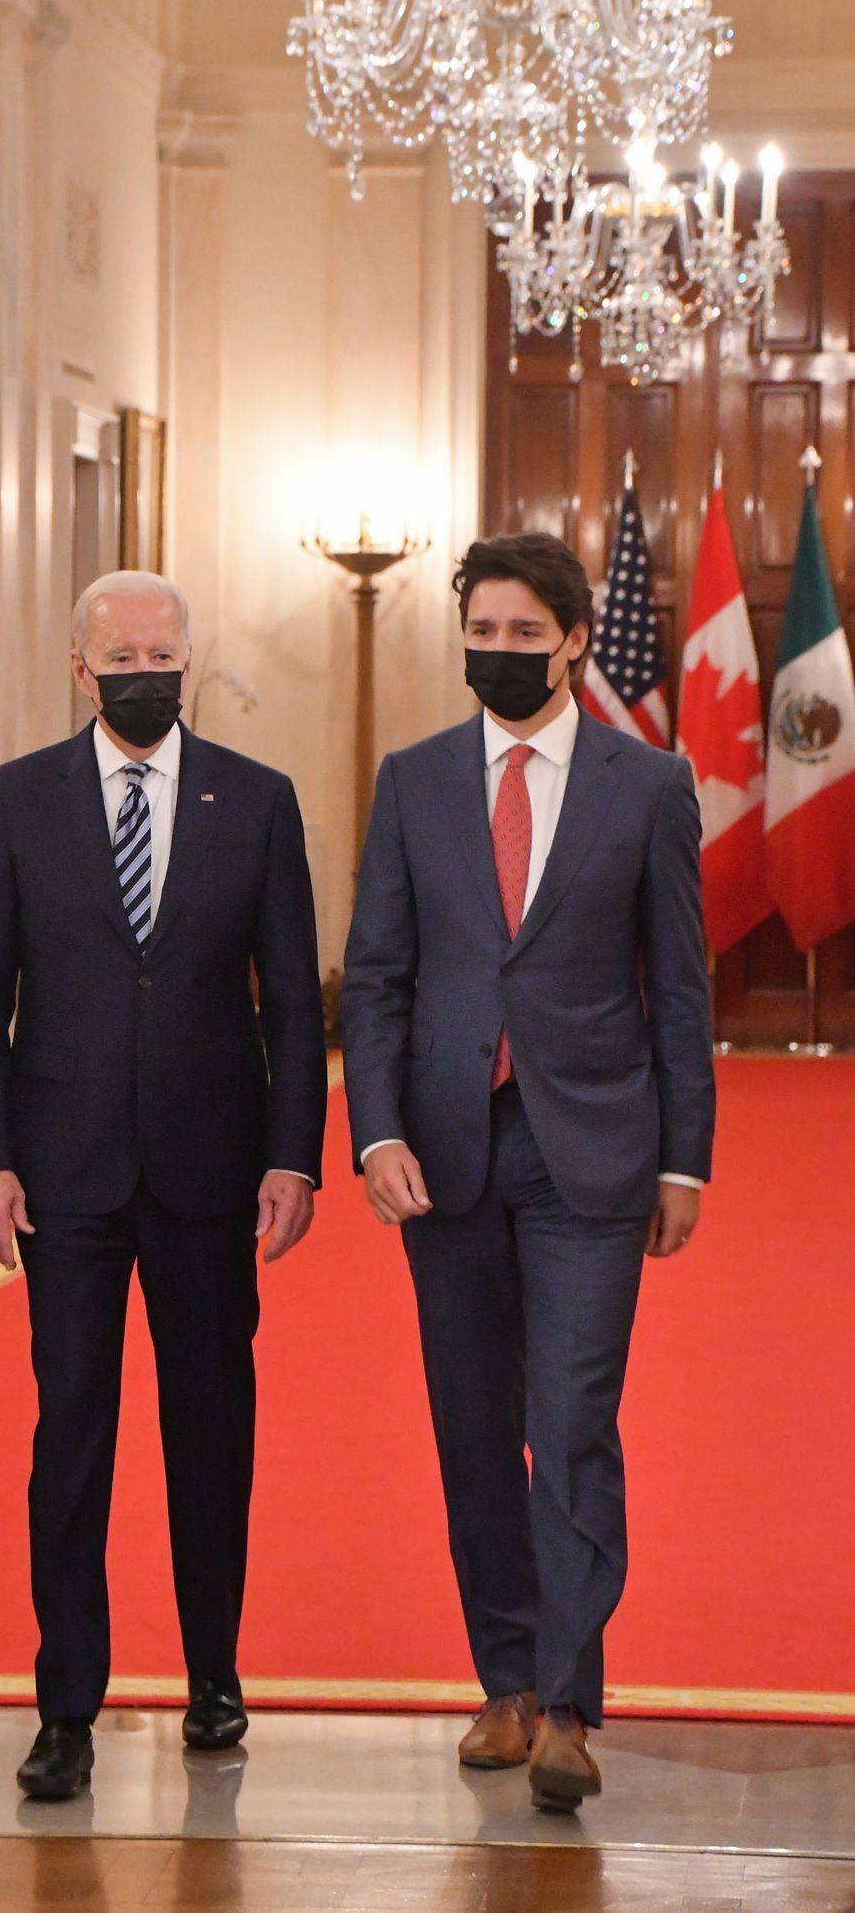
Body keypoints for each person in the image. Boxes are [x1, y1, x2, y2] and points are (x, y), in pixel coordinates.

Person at [341, 533, 715, 1812]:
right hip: (443, 1156)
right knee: (470, 1428)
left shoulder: (650, 784)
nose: (495, 652)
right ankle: (501, 1681)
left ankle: (566, 1702)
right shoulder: (415, 780)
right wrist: (374, 1130)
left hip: (591, 1154)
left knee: (570, 1420)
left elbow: (680, 988)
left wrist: (686, 1163)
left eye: (519, 633)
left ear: (570, 641)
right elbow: (378, 975)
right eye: (478, 632)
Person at [0, 570, 327, 1802]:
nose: (148, 674)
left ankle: (213, 1675)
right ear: (81, 668)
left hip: (213, 1174)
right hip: (63, 1176)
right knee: (72, 1438)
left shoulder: (259, 802)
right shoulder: (14, 802)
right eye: (126, 656)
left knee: (212, 1432)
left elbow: (295, 997)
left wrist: (293, 1153)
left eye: (168, 655)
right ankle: (69, 1703)